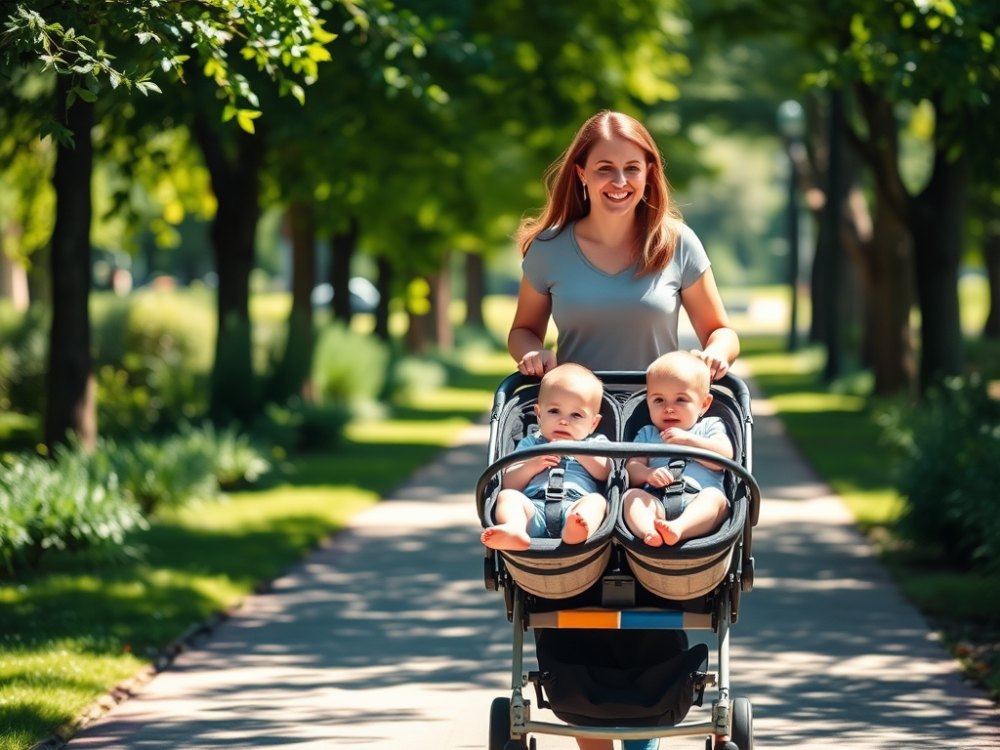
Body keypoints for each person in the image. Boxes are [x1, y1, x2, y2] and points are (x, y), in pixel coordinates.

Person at [507, 110, 740, 750]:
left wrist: (714, 354)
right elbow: (523, 329)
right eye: (605, 168)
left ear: (649, 173)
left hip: (655, 424)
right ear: (581, 174)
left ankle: (645, 726)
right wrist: (531, 354)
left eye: (631, 168)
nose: (619, 181)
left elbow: (721, 329)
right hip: (577, 426)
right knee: (576, 575)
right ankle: (588, 719)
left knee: (651, 569)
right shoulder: (550, 249)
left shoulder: (676, 243)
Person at [481, 363, 610, 551]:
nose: (563, 421)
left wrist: (577, 450)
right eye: (554, 411)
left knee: (597, 502)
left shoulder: (595, 443)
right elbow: (509, 482)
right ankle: (515, 529)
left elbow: (606, 472)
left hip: (576, 504)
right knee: (507, 496)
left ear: (593, 423)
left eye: (576, 415)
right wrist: (532, 465)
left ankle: (576, 530)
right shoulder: (531, 443)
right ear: (539, 415)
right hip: (534, 507)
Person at [624, 351, 732, 546]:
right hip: (656, 500)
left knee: (714, 499)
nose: (668, 408)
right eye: (659, 400)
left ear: (703, 404)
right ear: (648, 402)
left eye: (680, 400)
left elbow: (724, 457)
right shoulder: (648, 433)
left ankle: (679, 528)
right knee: (631, 497)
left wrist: (689, 441)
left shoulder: (709, 426)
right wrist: (647, 474)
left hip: (699, 499)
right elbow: (632, 468)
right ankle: (650, 532)